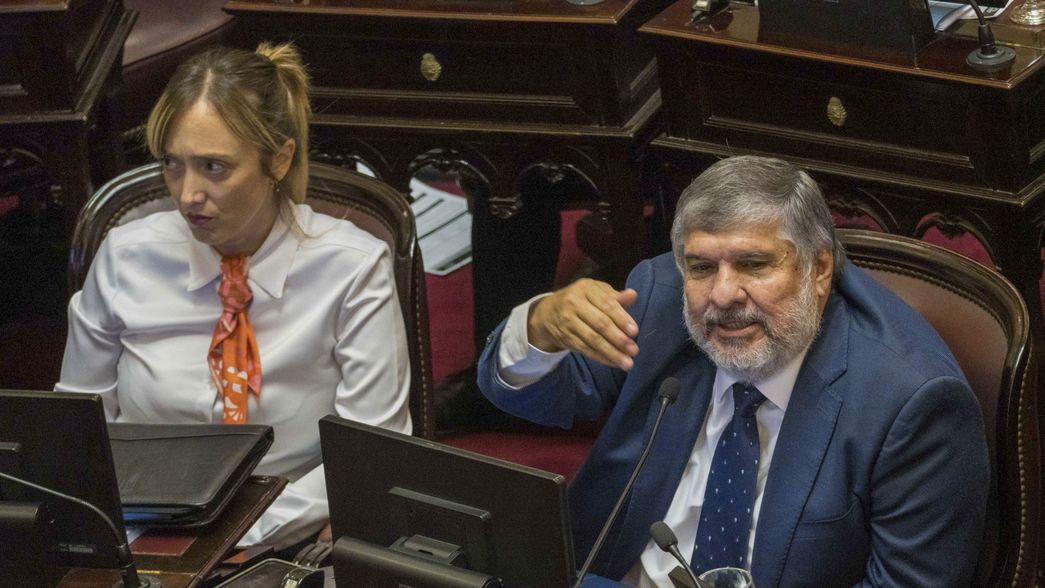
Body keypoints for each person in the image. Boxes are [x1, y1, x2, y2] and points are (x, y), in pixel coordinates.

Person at [476, 156, 989, 587]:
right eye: (701, 268)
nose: (722, 294)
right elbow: (535, 396)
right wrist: (541, 326)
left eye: (753, 265)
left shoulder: (912, 402)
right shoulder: (659, 299)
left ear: (819, 269)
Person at [56, 43, 412, 550]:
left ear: (279, 160)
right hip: (138, 530)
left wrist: (237, 537)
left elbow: (372, 450)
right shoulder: (126, 255)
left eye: (214, 167)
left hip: (287, 536)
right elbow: (78, 422)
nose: (186, 195)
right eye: (173, 164)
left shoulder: (351, 268)